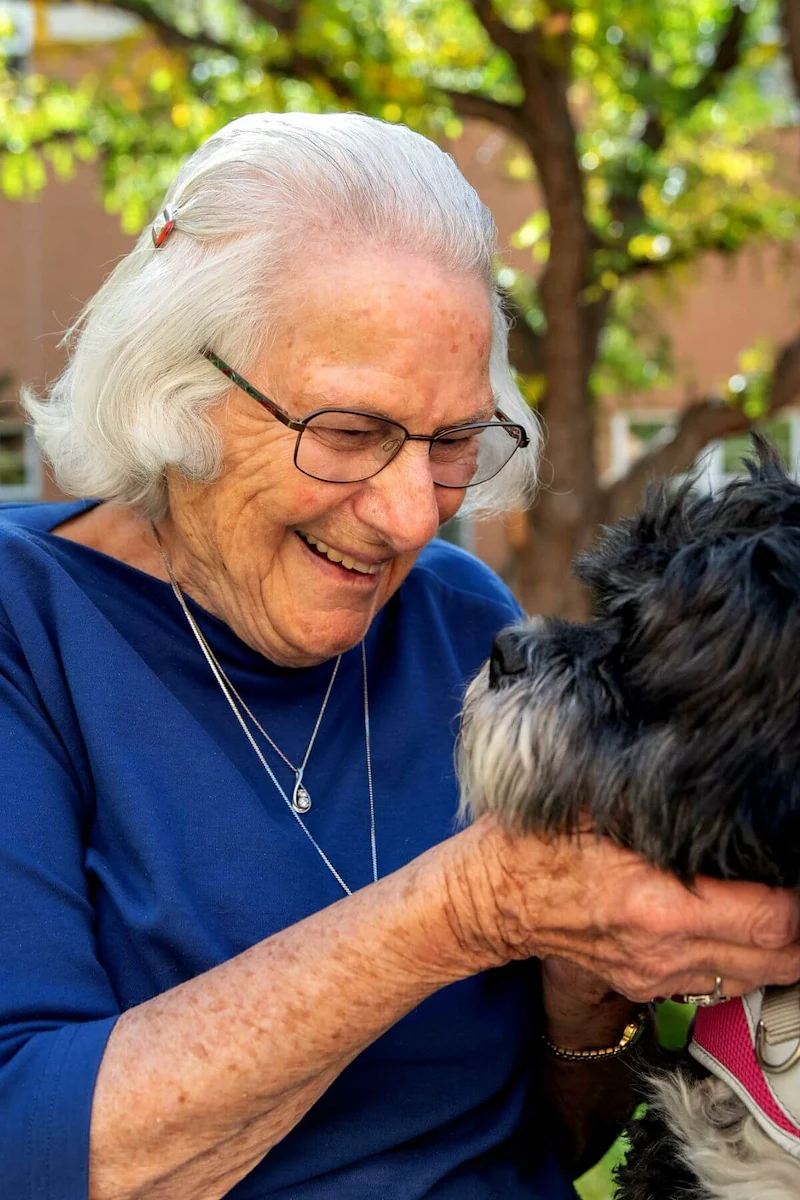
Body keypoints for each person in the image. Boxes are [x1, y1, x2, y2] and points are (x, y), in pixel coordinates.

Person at [2, 111, 798, 1200]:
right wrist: (466, 912)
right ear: (176, 385)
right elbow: (36, 1148)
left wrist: (584, 983)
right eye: (348, 433)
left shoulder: (456, 613)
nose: (413, 515)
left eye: (453, 443)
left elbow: (552, 1140)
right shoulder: (28, 624)